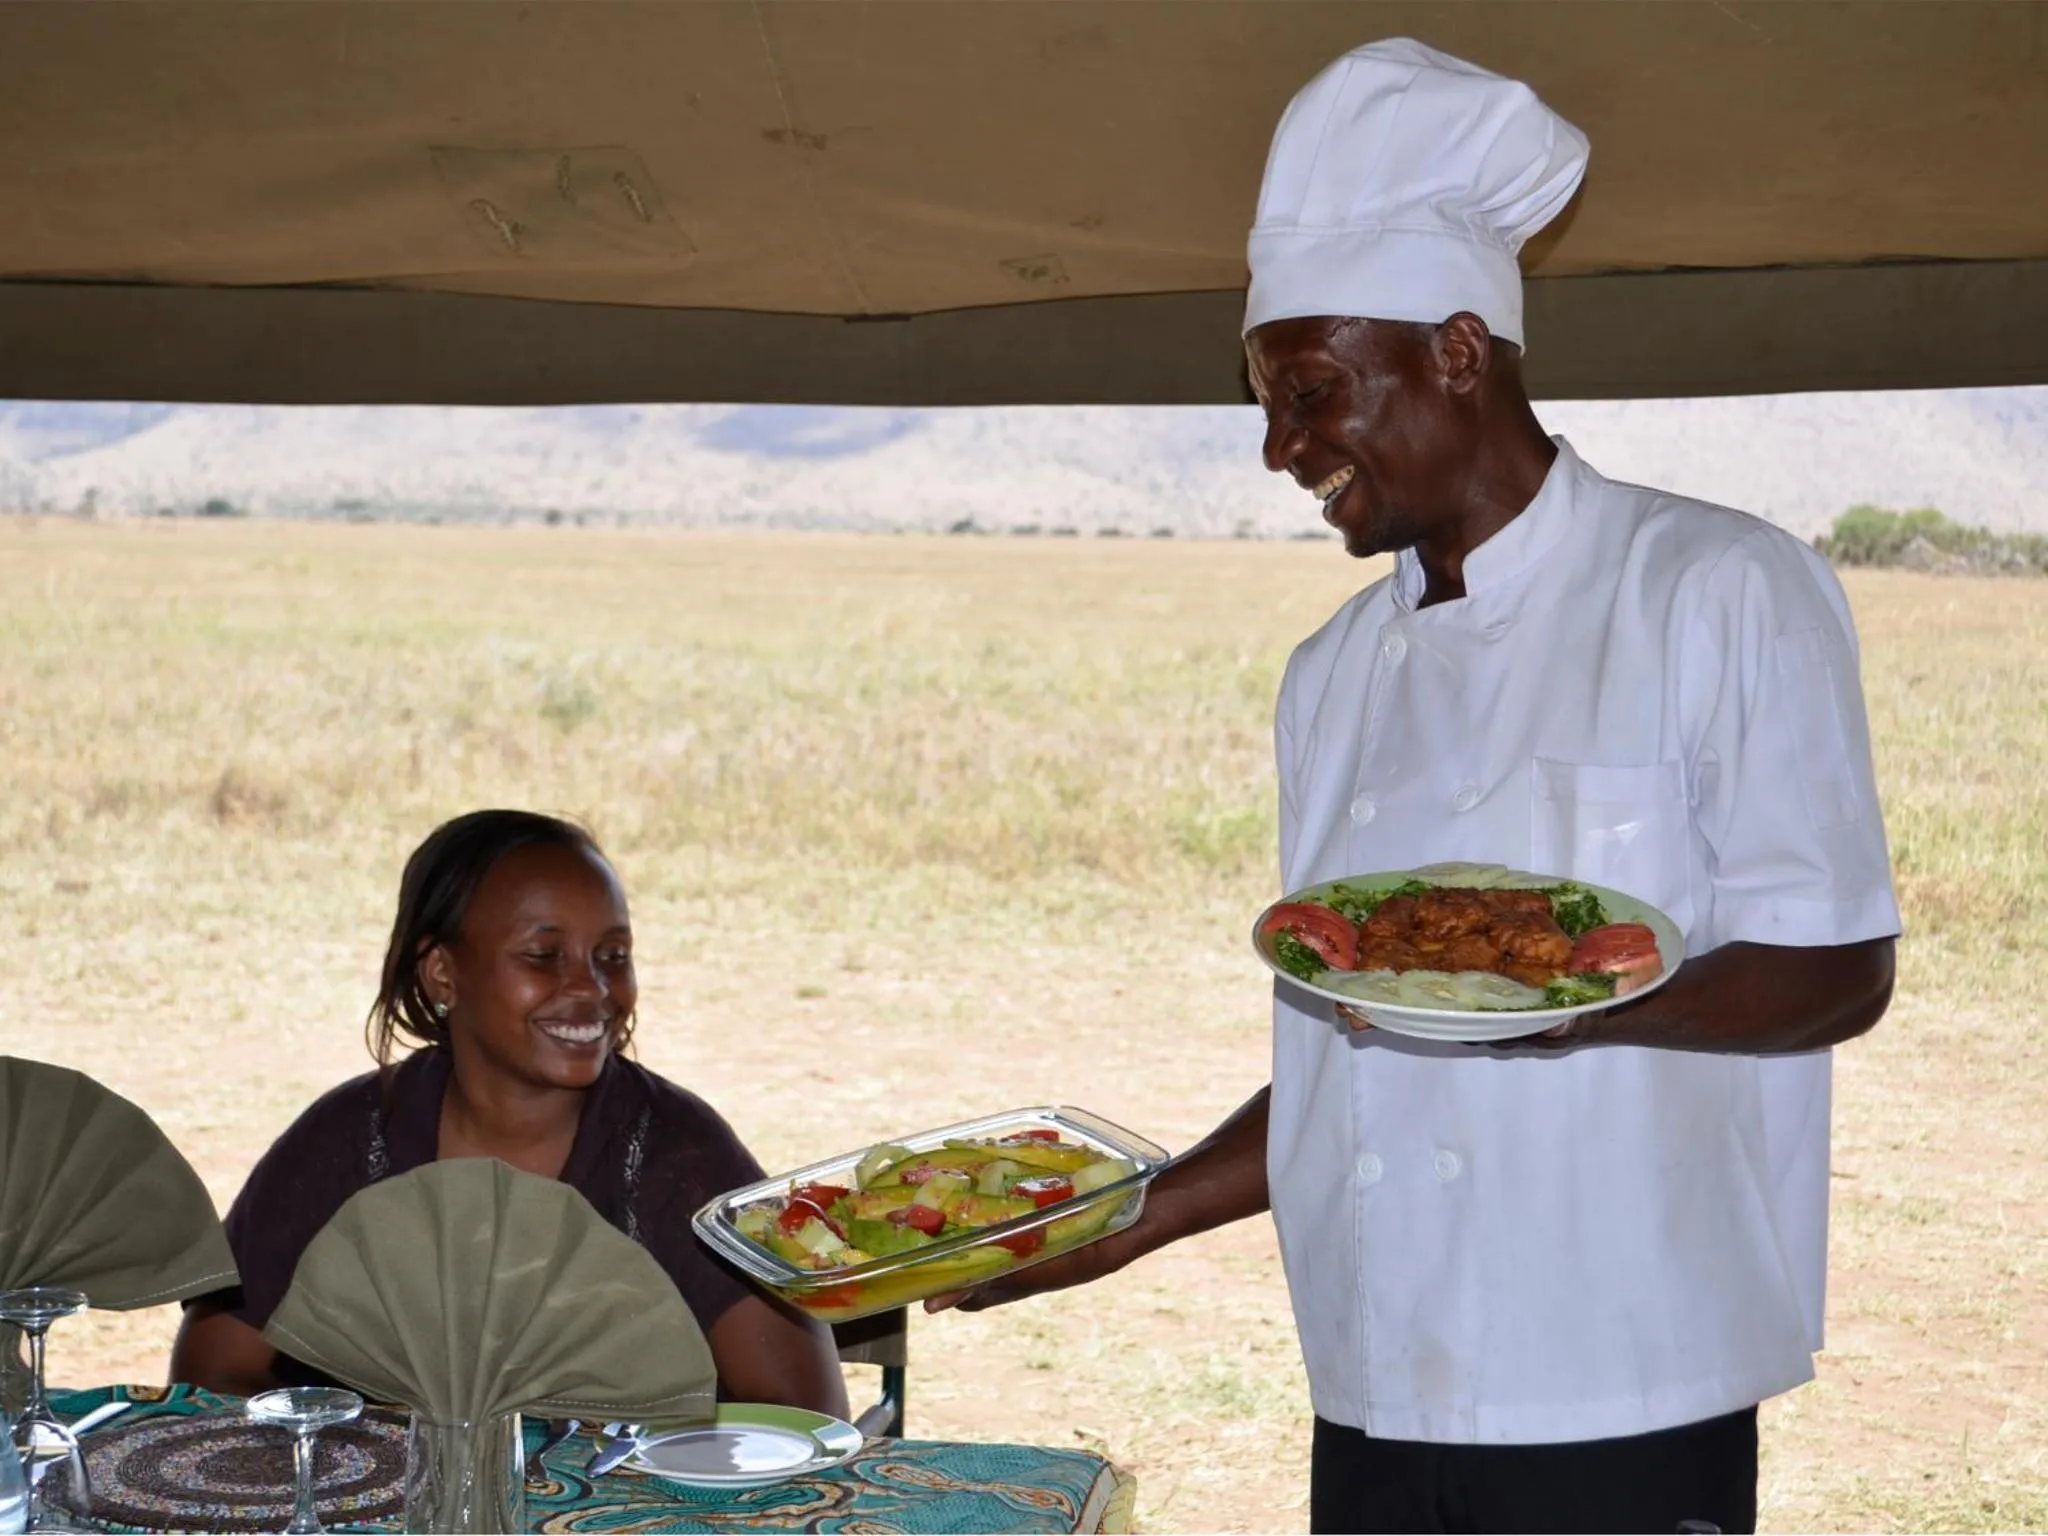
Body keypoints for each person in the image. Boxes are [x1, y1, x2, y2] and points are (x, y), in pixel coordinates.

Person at [932, 38, 1900, 1535]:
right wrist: (1131, 1221)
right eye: (1266, 403)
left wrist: (1568, 1007)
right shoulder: (1330, 677)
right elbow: (1352, 1052)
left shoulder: (1715, 588)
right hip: (1378, 1382)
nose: (1281, 448)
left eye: (1312, 392)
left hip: (1623, 1380)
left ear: (1458, 350)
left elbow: (1838, 967)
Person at [172, 808, 848, 1418]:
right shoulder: (347, 1143)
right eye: (543, 956)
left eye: (612, 956)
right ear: (442, 973)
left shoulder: (677, 1156)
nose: (591, 987)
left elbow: (807, 1419)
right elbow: (211, 1377)